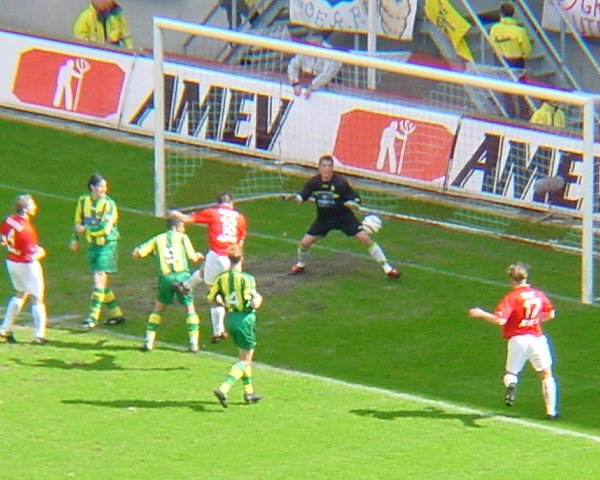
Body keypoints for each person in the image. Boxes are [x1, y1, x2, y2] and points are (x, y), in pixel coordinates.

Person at [468, 262, 558, 420]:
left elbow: (500, 320)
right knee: (546, 374)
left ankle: (511, 385)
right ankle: (551, 411)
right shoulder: (538, 294)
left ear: (511, 279)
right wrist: (533, 321)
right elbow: (550, 314)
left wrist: (481, 313)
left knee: (511, 373)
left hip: (518, 339)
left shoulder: (512, 297)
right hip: (537, 338)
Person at [286, 155, 401, 279]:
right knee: (304, 243)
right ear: (319, 168)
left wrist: (354, 204)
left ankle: (387, 268)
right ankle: (300, 264)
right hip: (323, 220)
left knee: (366, 239)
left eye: (329, 166)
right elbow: (302, 197)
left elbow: (355, 198)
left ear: (332, 168)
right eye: (324, 166)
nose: (326, 169)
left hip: (344, 218)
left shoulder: (340, 182)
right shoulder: (314, 183)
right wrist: (293, 198)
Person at [177, 192, 247, 344]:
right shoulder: (240, 218)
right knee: (205, 271)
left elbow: (188, 219)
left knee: (214, 294)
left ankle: (218, 330)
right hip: (234, 260)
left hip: (218, 257)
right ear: (232, 203)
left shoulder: (212, 212)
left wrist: (176, 214)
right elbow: (240, 241)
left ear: (218, 203)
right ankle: (186, 286)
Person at [133, 215, 204, 352]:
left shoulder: (157, 239)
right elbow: (193, 257)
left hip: (166, 278)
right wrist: (199, 255)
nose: (183, 230)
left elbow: (138, 254)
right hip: (183, 276)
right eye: (182, 227)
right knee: (189, 308)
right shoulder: (182, 238)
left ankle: (148, 341)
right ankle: (194, 344)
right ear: (175, 227)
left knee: (158, 308)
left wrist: (137, 250)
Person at [209, 245, 263, 408]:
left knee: (243, 358)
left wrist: (224, 303)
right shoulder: (247, 279)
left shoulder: (220, 279)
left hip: (230, 318)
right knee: (246, 360)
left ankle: (249, 392)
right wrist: (259, 300)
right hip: (244, 319)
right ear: (242, 259)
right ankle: (224, 388)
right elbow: (253, 301)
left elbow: (211, 299)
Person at [69, 173, 125, 328]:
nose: (103, 189)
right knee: (102, 284)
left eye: (105, 186)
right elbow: (77, 222)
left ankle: (92, 318)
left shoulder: (109, 204)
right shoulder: (82, 201)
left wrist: (84, 230)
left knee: (98, 279)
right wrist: (74, 238)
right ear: (92, 187)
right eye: (100, 186)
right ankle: (117, 314)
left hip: (107, 244)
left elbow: (105, 229)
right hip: (92, 245)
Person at [0, 195, 48, 344]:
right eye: (32, 205)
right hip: (27, 265)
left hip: (12, 262)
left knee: (20, 294)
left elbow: (2, 239)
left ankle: (5, 328)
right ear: (26, 209)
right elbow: (32, 254)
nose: (35, 207)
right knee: (37, 299)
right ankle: (39, 335)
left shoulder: (8, 220)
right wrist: (42, 252)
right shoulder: (27, 230)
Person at [287, 32, 342, 99]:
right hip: (305, 83)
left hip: (326, 87)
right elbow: (293, 65)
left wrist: (312, 87)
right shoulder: (308, 46)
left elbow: (327, 74)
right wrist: (295, 83)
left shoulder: (330, 51)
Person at [489, 3, 532, 71]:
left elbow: (492, 43)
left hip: (500, 59)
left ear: (501, 13)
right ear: (513, 14)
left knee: (500, 79)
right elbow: (527, 49)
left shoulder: (495, 28)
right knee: (517, 80)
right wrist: (524, 55)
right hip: (516, 61)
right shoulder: (520, 30)